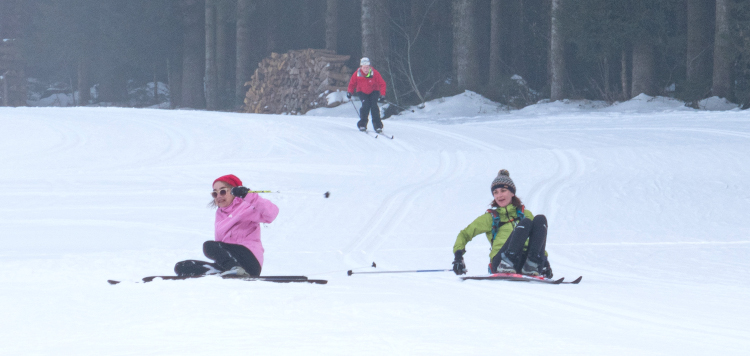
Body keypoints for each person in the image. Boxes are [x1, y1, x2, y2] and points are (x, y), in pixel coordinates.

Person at [451, 170, 553, 278]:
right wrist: (458, 257)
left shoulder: (525, 214)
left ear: (512, 193)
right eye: (495, 192)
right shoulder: (490, 217)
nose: (499, 195)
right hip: (500, 261)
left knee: (540, 220)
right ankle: (507, 263)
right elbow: (464, 234)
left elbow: (537, 240)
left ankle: (533, 264)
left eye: (503, 190)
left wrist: (545, 262)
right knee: (525, 223)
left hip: (524, 261)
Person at [174, 174, 279, 277]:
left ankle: (235, 270)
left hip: (249, 260)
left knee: (209, 246)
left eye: (223, 191)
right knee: (181, 266)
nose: (219, 196)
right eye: (215, 193)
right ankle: (223, 273)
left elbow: (272, 214)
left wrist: (248, 195)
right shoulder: (220, 214)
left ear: (234, 191)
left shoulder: (246, 207)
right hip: (229, 263)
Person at [347, 57, 387, 133]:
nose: (366, 69)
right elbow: (352, 84)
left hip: (374, 91)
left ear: (370, 67)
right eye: (364, 67)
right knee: (365, 105)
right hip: (362, 91)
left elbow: (382, 84)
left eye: (367, 67)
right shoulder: (357, 74)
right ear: (361, 67)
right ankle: (362, 124)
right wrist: (350, 92)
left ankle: (378, 126)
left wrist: (382, 94)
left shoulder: (375, 73)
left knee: (374, 106)